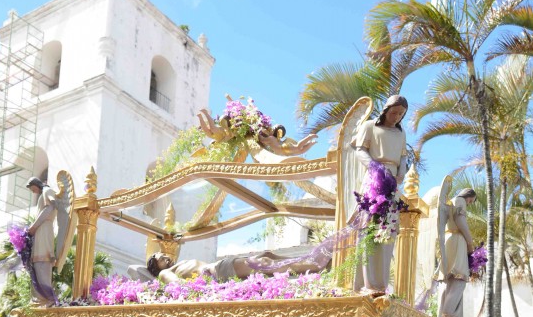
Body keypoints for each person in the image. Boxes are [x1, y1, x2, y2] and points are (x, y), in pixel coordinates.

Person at [352, 94, 408, 293]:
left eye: (401, 114)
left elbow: (403, 158)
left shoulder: (400, 134)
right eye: (394, 112)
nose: (397, 117)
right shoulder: (369, 127)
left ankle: (381, 284)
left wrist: (400, 174)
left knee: (388, 229)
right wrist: (376, 168)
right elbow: (360, 150)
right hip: (375, 180)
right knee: (370, 229)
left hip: (392, 184)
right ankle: (368, 283)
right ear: (386, 110)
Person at [139, 248, 319, 285]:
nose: (162, 255)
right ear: (155, 266)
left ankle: (309, 259)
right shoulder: (164, 273)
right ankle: (316, 265)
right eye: (158, 257)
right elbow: (178, 286)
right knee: (262, 263)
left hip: (218, 268)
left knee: (267, 255)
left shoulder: (179, 263)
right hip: (216, 271)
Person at [439, 187, 477, 317]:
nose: (470, 203)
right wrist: (469, 242)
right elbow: (460, 220)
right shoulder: (460, 200)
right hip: (457, 240)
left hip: (450, 239)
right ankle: (448, 314)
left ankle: (448, 316)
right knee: (460, 278)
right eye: (471, 201)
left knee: (452, 279)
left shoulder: (451, 201)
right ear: (468, 195)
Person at [26, 176, 57, 305]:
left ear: (35, 184)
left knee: (42, 261)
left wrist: (34, 226)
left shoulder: (47, 191)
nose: (33, 191)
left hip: (44, 230)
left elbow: (50, 208)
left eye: (32, 188)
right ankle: (42, 298)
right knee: (37, 262)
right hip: (40, 231)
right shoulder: (43, 193)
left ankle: (48, 298)